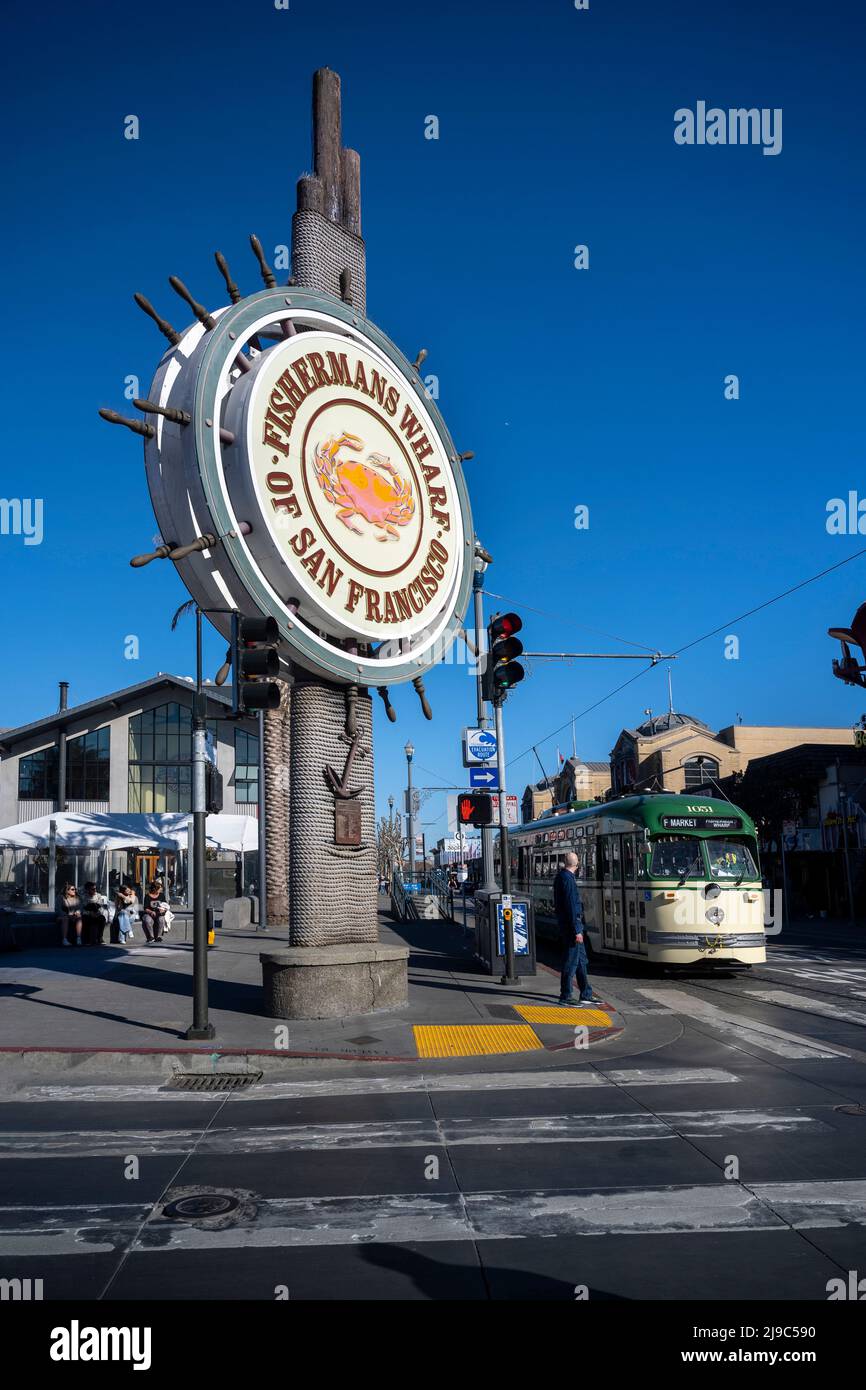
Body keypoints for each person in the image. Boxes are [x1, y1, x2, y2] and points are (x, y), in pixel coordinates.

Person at [553, 850, 594, 1006]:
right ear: (577, 865)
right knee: (570, 962)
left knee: (582, 960)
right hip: (572, 928)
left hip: (569, 925)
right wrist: (577, 929)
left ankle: (586, 993)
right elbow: (571, 906)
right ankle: (565, 995)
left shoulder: (561, 877)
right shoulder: (568, 880)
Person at [80, 882, 111, 946]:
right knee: (86, 919)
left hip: (96, 913)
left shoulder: (98, 895)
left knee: (102, 918)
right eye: (93, 889)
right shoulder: (83, 896)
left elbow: (100, 906)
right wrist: (90, 913)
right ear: (87, 889)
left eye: (95, 889)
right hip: (87, 914)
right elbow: (82, 907)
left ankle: (100, 938)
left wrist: (97, 913)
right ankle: (86, 939)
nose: (95, 890)